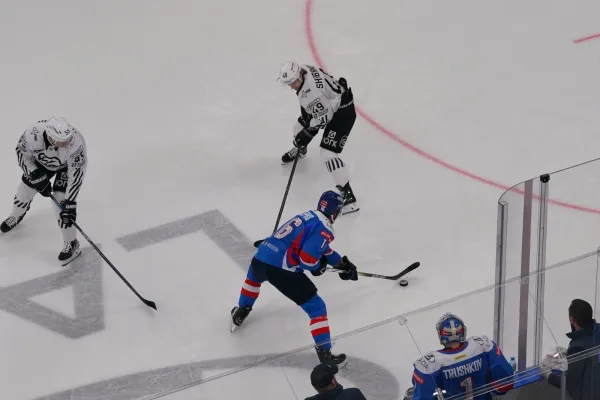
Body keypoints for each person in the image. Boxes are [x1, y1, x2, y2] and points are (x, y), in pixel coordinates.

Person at [230, 190, 358, 365]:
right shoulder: (325, 228)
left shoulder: (308, 215)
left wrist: (341, 263)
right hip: (281, 269)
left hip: (261, 256)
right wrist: (318, 266)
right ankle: (325, 353)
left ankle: (241, 310)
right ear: (335, 212)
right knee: (317, 307)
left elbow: (322, 249)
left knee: (253, 280)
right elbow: (307, 260)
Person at [1, 117, 87, 265]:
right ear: (51, 138)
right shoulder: (32, 133)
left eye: (68, 138)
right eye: (62, 141)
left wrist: (70, 203)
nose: (68, 142)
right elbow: (21, 153)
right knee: (23, 192)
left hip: (66, 168)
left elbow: (76, 174)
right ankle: (16, 215)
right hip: (41, 164)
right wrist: (34, 173)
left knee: (61, 205)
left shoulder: (76, 143)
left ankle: (71, 242)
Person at [277, 62, 359, 215]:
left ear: (299, 77)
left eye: (292, 83)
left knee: (328, 153)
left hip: (342, 112)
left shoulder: (311, 93)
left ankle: (348, 196)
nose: (291, 87)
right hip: (330, 103)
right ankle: (301, 150)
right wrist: (304, 133)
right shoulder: (304, 68)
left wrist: (307, 133)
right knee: (297, 129)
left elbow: (324, 118)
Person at [410, 313, 514, 400]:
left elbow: (423, 396)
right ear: (462, 332)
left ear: (441, 336)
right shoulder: (482, 346)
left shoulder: (429, 364)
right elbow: (504, 384)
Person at [543, 299, 600, 400]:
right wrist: (569, 354)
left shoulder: (578, 347)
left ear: (571, 319)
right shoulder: (597, 331)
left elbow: (570, 382)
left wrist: (548, 375)